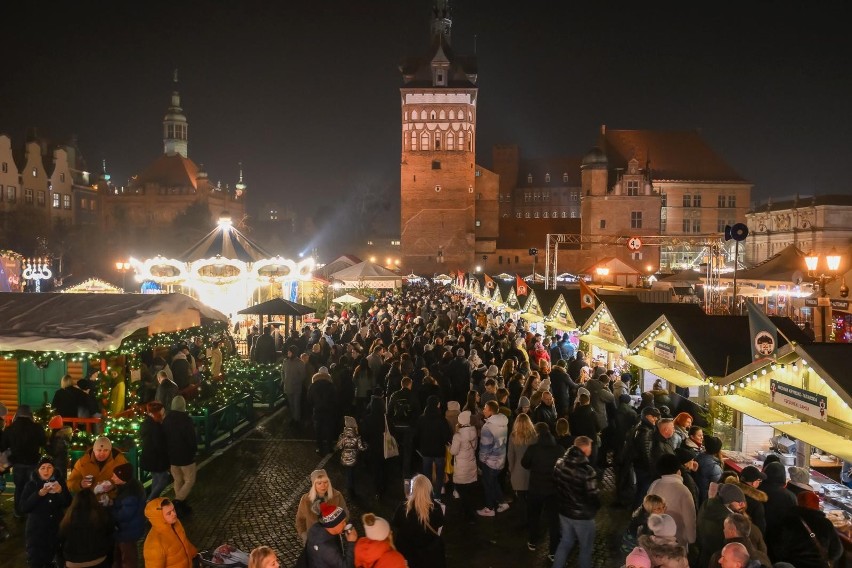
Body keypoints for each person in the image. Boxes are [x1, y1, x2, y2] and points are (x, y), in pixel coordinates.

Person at [551, 436, 600, 568]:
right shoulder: (587, 471)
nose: (591, 449)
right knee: (585, 549)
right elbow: (593, 495)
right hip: (582, 516)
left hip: (564, 512)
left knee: (565, 542)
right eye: (590, 446)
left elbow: (555, 483)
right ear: (584, 448)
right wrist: (594, 508)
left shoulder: (559, 463)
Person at [768, 489, 844, 568]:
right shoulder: (825, 523)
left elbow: (777, 547)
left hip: (793, 565)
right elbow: (837, 551)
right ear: (817, 505)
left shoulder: (787, 521)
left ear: (798, 502)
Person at [21, 455, 71, 568]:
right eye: (43, 467)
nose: (46, 470)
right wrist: (38, 494)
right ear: (38, 470)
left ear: (54, 469)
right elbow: (24, 507)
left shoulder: (59, 483)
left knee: (55, 559)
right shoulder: (31, 485)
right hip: (36, 531)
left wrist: (61, 491)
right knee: (36, 561)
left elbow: (67, 503)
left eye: (49, 467)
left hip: (56, 529)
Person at [521, 421, 563, 556]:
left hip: (536, 489)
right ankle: (553, 551)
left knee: (534, 516)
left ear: (537, 433)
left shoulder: (533, 449)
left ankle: (533, 541)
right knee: (554, 522)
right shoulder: (559, 449)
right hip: (553, 490)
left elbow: (524, 463)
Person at [0, 404, 46, 517]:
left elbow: (2, 446)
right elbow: (43, 442)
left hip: (17, 463)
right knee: (32, 486)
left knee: (19, 487)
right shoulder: (37, 427)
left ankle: (18, 511)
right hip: (33, 462)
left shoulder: (10, 428)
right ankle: (30, 510)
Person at [392, 474, 445, 568]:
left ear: (412, 489)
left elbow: (396, 524)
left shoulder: (403, 508)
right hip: (428, 555)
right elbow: (440, 524)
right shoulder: (436, 508)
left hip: (407, 555)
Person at [646, 454, 696, 547]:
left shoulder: (655, 484)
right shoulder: (683, 490)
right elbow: (690, 519)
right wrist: (691, 538)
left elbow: (648, 507)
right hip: (677, 538)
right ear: (678, 469)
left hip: (657, 534)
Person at [60, 489, 114, 568]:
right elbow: (110, 535)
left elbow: (60, 539)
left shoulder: (67, 518)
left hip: (73, 562)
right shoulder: (101, 515)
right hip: (98, 559)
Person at [163, 395, 197, 516]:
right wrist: (194, 450)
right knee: (189, 480)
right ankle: (178, 501)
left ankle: (181, 504)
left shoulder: (166, 419)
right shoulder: (186, 420)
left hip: (172, 456)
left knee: (178, 479)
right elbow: (191, 438)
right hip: (186, 456)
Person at [295, 469, 350, 544]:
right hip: (313, 540)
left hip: (333, 539)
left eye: (325, 482)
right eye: (319, 483)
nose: (323, 486)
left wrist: (338, 527)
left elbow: (345, 514)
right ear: (314, 485)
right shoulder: (305, 500)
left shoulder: (337, 496)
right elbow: (300, 520)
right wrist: (305, 536)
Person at [414, 395, 452, 500]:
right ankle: (437, 496)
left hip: (425, 451)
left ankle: (429, 496)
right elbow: (447, 436)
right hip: (439, 451)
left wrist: (419, 447)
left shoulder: (421, 419)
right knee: (440, 475)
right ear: (438, 405)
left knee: (427, 475)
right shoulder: (441, 419)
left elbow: (416, 435)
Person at [67, 436, 129, 501]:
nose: (102, 453)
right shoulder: (82, 463)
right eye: (99, 450)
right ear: (94, 450)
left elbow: (128, 482)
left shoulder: (120, 462)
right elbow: (70, 484)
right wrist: (81, 484)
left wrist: (113, 486)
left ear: (110, 451)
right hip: (89, 503)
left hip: (112, 503)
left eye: (105, 450)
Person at [143, 497, 198, 568]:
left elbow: (184, 541)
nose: (174, 514)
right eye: (169, 513)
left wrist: (194, 555)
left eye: (173, 510)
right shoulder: (154, 544)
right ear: (159, 517)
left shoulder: (176, 523)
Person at [110, 462, 146, 568]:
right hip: (129, 528)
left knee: (128, 558)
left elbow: (123, 515)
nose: (112, 477)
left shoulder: (130, 494)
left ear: (122, 477)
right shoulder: (131, 485)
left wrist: (109, 509)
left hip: (127, 531)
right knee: (121, 555)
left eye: (115, 476)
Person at [477, 400, 510, 517]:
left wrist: (481, 461)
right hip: (501, 460)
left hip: (490, 461)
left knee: (487, 484)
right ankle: (502, 502)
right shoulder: (503, 422)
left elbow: (485, 447)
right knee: (494, 482)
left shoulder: (488, 427)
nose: (483, 410)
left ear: (490, 411)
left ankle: (489, 508)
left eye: (485, 408)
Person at [706, 513, 772, 568]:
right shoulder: (763, 557)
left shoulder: (719, 558)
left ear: (732, 531)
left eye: (724, 527)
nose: (723, 530)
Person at [304, 503, 358, 568]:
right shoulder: (328, 549)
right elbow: (346, 566)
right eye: (342, 522)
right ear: (334, 524)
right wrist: (351, 542)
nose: (345, 524)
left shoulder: (315, 527)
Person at [448, 410, 478, 522]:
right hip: (471, 464)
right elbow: (474, 448)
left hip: (461, 467)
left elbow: (454, 452)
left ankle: (468, 515)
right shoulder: (473, 431)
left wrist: (450, 447)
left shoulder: (458, 435)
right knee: (469, 491)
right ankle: (469, 512)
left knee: (463, 492)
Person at [140, 401, 170, 501]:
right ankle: (149, 501)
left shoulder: (147, 423)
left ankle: (153, 503)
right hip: (156, 458)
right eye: (162, 411)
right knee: (163, 479)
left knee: (156, 480)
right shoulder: (156, 426)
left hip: (149, 457)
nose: (163, 413)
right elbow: (159, 445)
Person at [308, 366, 339, 456]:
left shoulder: (313, 385)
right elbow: (335, 398)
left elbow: (309, 398)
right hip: (329, 411)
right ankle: (329, 447)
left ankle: (320, 448)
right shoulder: (331, 385)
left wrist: (314, 405)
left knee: (318, 430)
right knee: (329, 429)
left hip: (317, 410)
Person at [507, 412, 536, 501]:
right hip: (532, 472)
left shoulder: (513, 436)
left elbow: (510, 455)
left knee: (520, 500)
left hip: (517, 471)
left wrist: (511, 469)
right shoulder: (534, 436)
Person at [336, 416, 367, 498]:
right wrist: (366, 447)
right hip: (353, 458)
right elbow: (361, 448)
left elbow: (339, 446)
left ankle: (349, 487)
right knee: (352, 473)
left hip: (345, 457)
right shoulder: (357, 437)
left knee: (348, 472)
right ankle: (351, 488)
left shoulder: (343, 436)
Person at [282, 345, 307, 427]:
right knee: (291, 404)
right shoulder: (285, 362)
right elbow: (282, 372)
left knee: (296, 404)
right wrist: (284, 380)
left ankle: (296, 419)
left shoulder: (300, 363)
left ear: (293, 353)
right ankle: (293, 418)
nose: (288, 353)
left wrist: (296, 381)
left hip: (296, 387)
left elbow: (303, 375)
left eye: (289, 352)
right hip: (288, 386)